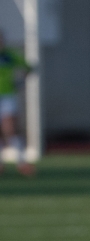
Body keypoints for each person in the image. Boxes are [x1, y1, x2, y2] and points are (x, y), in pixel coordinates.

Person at [0, 28, 34, 177]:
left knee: (10, 128)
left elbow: (28, 67)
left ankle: (21, 161)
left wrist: (19, 82)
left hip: (7, 96)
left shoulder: (9, 56)